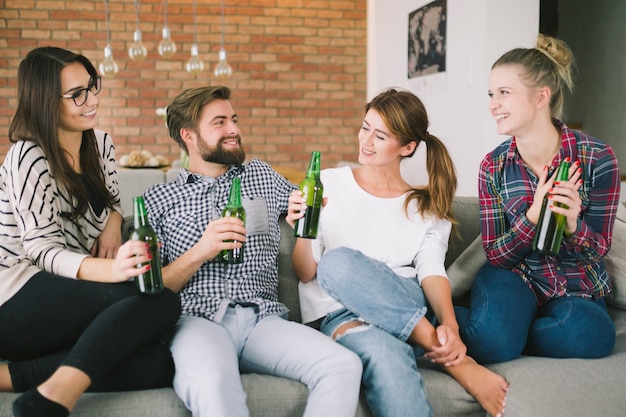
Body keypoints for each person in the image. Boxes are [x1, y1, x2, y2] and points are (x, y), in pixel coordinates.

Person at [144, 86, 363, 417]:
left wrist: (303, 208)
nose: (234, 130)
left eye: (234, 119)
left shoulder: (261, 175)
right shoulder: (158, 200)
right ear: (188, 135)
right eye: (220, 123)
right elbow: (152, 291)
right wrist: (201, 251)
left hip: (263, 319)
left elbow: (311, 204)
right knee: (214, 383)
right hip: (196, 320)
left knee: (342, 364)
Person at [288, 88, 509, 417]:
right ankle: (455, 362)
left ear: (407, 147)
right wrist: (304, 227)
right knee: (344, 277)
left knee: (340, 263)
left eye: (380, 135)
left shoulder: (425, 204)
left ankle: (438, 344)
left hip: (406, 302)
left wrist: (450, 325)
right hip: (342, 315)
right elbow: (306, 272)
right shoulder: (326, 183)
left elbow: (432, 272)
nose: (366, 141)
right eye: (365, 127)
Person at [0, 46, 181, 417]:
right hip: (14, 289)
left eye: (92, 86)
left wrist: (114, 222)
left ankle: (16, 379)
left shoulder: (100, 144)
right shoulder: (28, 156)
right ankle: (52, 396)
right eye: (76, 94)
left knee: (158, 364)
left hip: (69, 293)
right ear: (45, 101)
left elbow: (113, 199)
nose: (91, 100)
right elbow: (42, 252)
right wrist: (113, 272)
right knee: (160, 300)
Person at [454, 34, 621, 365]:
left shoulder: (597, 158)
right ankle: (470, 323)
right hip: (513, 277)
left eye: (504, 93)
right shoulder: (494, 165)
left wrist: (574, 226)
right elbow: (496, 255)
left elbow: (600, 246)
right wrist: (532, 216)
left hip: (576, 286)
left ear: (541, 96)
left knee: (593, 335)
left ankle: (506, 329)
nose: (493, 104)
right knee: (492, 342)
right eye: (491, 94)